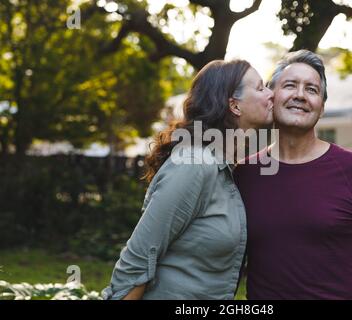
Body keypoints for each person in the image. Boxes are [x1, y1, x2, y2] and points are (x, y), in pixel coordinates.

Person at [234, 50, 352, 300]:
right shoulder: (244, 174)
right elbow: (229, 264)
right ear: (271, 97)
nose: (300, 95)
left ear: (321, 108)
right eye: (290, 85)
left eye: (311, 90)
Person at [102, 59, 274, 300]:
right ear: (234, 105)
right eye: (261, 88)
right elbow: (139, 259)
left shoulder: (225, 169)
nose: (271, 94)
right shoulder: (194, 165)